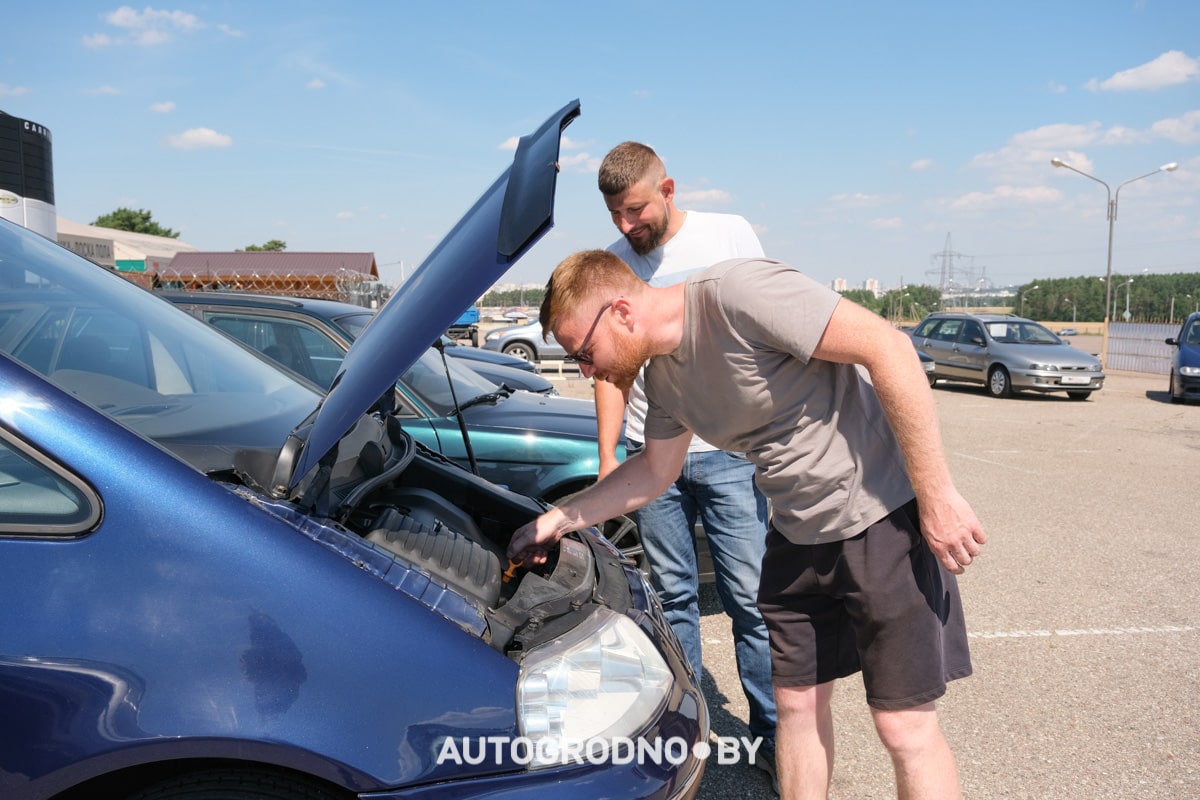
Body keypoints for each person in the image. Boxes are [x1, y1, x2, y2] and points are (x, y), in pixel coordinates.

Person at [509, 251, 987, 800]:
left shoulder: (739, 295)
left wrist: (937, 494)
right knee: (796, 708)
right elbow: (654, 472)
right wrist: (559, 519)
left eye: (584, 354)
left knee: (903, 726)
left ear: (620, 310)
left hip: (879, 519)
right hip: (793, 533)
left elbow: (889, 347)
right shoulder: (662, 381)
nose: (586, 372)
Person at [593, 141, 777, 774]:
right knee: (672, 601)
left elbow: (766, 329)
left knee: (750, 600)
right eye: (616, 215)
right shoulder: (614, 264)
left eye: (636, 209)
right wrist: (607, 457)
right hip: (654, 457)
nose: (627, 226)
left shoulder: (730, 234)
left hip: (728, 452)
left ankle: (775, 738)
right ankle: (688, 739)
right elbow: (609, 373)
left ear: (667, 190)